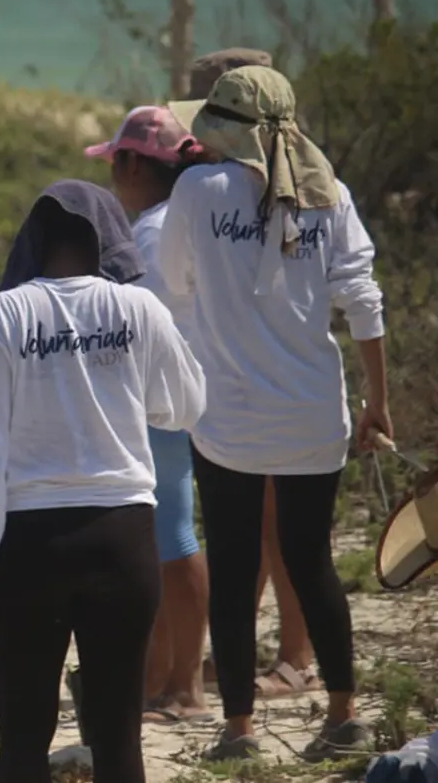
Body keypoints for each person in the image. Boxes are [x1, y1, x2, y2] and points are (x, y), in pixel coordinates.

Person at [0, 180, 206, 783]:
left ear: (35, 242)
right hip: (124, 539)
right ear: (110, 240)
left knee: (24, 739)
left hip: (30, 549)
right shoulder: (140, 308)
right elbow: (184, 406)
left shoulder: (5, 313)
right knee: (117, 735)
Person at [163, 65, 389, 761]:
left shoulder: (198, 189)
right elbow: (362, 297)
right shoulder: (330, 192)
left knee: (233, 566)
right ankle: (345, 714)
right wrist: (376, 402)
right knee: (312, 558)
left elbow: (174, 281)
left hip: (228, 416)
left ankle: (240, 731)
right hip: (313, 413)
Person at [185, 48, 320, 703]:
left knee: (274, 525)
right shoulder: (225, 184)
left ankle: (298, 655)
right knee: (252, 529)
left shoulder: (271, 184)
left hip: (264, 379)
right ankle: (254, 650)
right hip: (242, 377)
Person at [84, 106, 212, 724]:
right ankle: (163, 678)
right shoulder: (165, 222)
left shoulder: (156, 231)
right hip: (171, 395)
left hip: (163, 400)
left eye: (114, 161)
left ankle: (185, 687)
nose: (111, 174)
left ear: (135, 163)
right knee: (165, 535)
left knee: (174, 534)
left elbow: (155, 326)